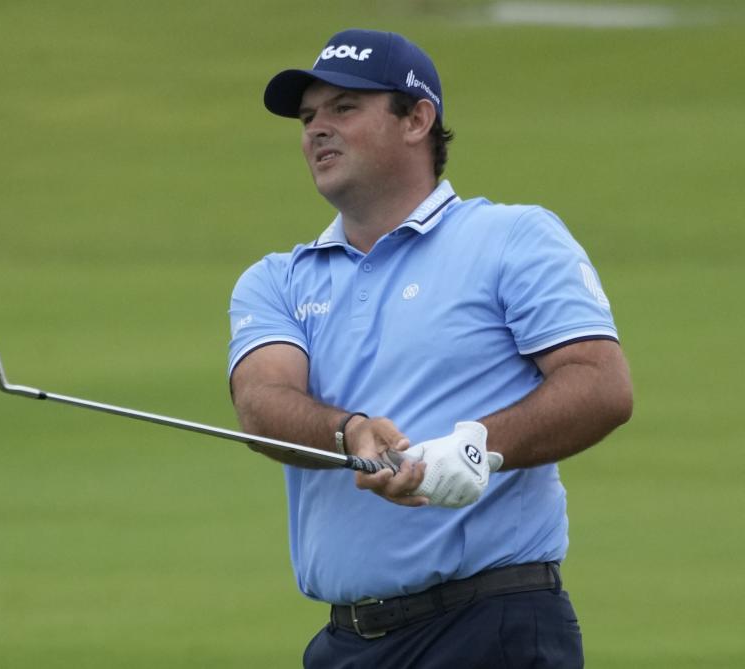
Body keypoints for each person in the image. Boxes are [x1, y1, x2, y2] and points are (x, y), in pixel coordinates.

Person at [227, 28, 633, 668]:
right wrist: (349, 433)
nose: (316, 130)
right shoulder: (277, 279)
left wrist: (476, 448)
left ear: (417, 119)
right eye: (308, 117)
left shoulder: (512, 238)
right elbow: (262, 401)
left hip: (492, 626)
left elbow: (600, 385)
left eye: (343, 108)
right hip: (345, 644)